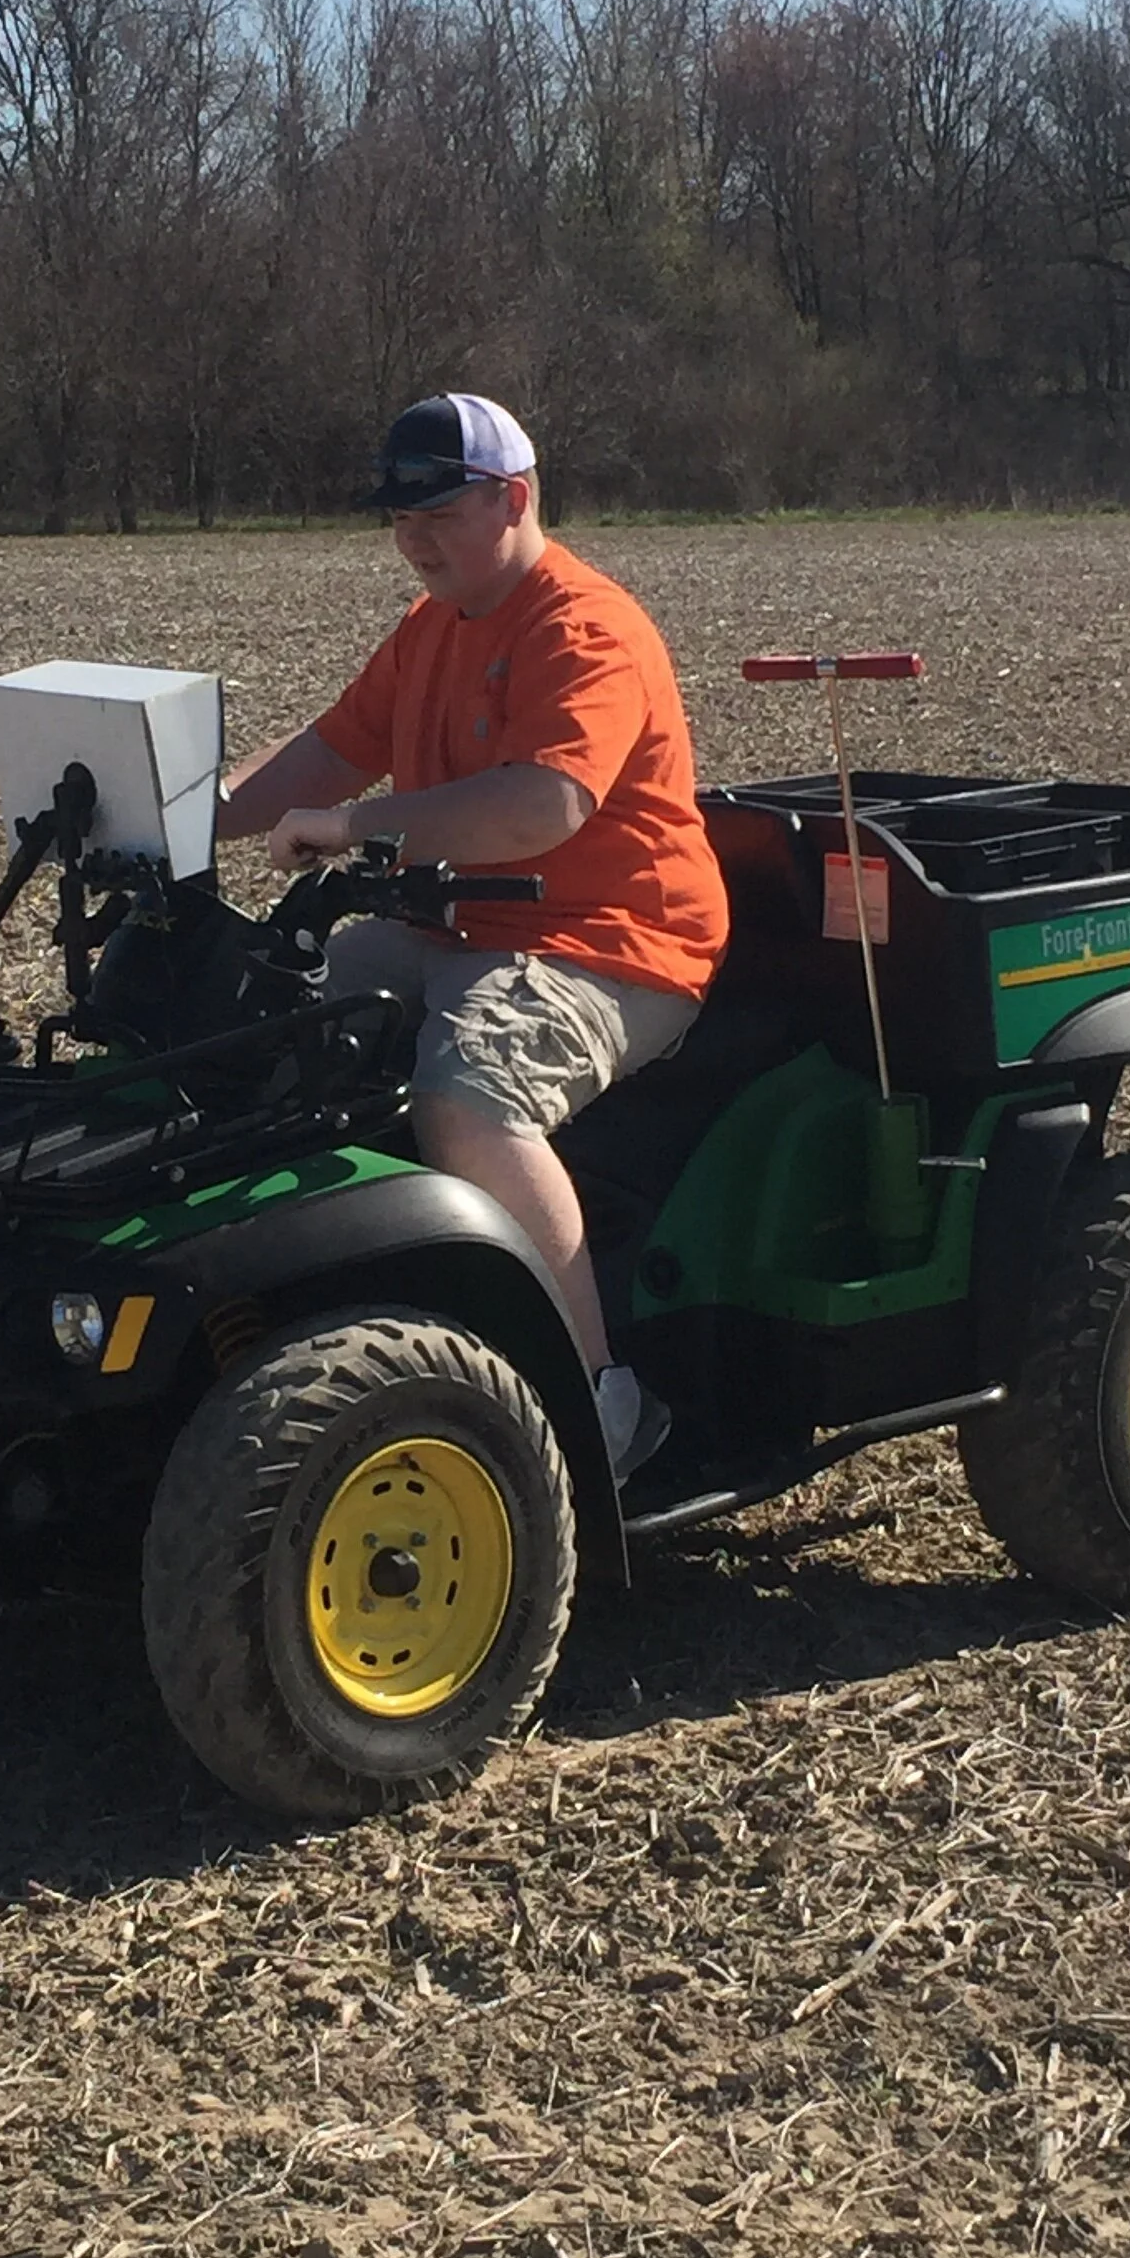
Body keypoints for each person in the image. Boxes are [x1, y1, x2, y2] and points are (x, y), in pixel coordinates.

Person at [218, 393, 727, 1482]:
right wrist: (180, 813)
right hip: (452, 927)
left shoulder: (585, 627)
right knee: (266, 1012)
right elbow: (324, 756)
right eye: (399, 519)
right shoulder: (429, 630)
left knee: (470, 1096)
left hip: (610, 942)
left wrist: (356, 828)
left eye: (438, 512)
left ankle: (600, 1404)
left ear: (515, 497)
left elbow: (544, 805)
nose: (414, 538)